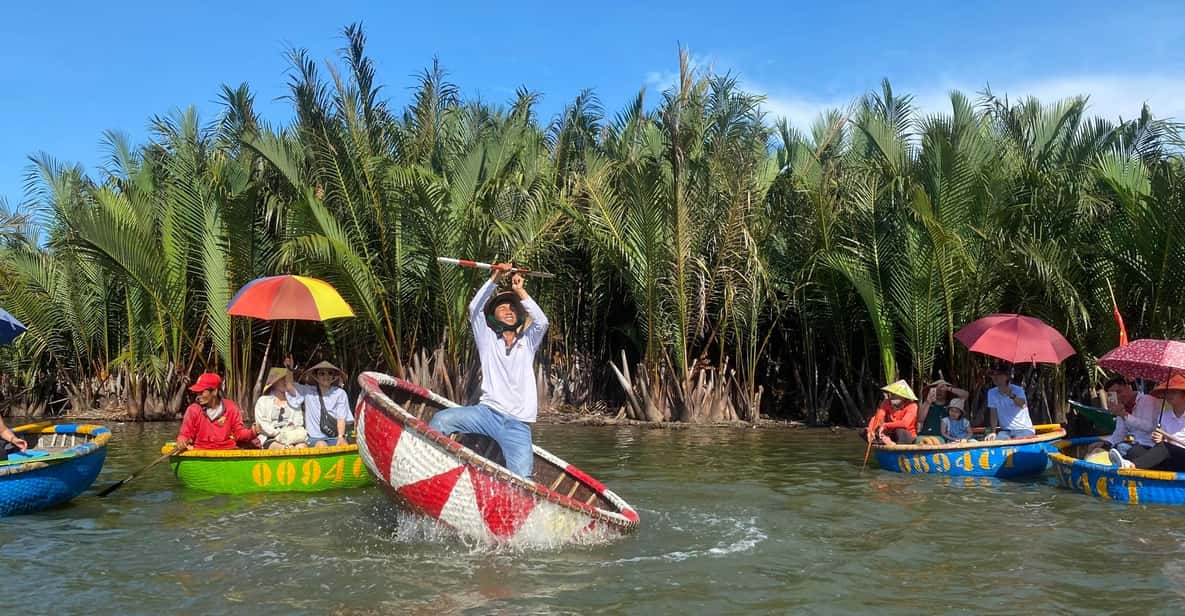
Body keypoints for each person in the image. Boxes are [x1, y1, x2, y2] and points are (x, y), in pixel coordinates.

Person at [429, 264, 549, 478]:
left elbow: (541, 321)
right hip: (486, 414)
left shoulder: (528, 342)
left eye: (512, 309)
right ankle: (436, 470)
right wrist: (496, 277)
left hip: (517, 424)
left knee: (522, 478)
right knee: (440, 420)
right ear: (493, 316)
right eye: (502, 308)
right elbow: (475, 309)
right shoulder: (488, 340)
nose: (508, 311)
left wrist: (520, 291)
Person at [1111, 375, 1185, 472]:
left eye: (1174, 392)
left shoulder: (1146, 401)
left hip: (1181, 456)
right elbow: (1160, 443)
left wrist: (1165, 441)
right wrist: (1160, 438)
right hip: (1169, 458)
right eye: (1167, 392)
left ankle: (1132, 466)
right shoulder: (1164, 416)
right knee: (1131, 450)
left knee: (1165, 447)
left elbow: (1166, 444)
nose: (1169, 395)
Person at [175, 372, 256, 451]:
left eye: (202, 392)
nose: (198, 396)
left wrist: (253, 432)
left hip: (227, 450)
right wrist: (182, 441)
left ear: (214, 391)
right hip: (200, 450)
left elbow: (239, 433)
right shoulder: (193, 410)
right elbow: (185, 434)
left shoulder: (231, 407)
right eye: (197, 392)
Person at [1085, 376, 1159, 458]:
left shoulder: (1147, 400)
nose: (1118, 397)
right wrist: (1105, 443)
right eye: (1113, 395)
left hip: (1151, 446)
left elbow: (1149, 427)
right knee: (1097, 450)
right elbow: (1119, 433)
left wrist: (1124, 415)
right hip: (1134, 445)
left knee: (1120, 448)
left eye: (1119, 392)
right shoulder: (1122, 407)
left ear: (1128, 387)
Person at [295, 361, 352, 448]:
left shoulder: (340, 393)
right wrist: (289, 369)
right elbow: (289, 386)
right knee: (321, 445)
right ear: (316, 376)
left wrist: (341, 437)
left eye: (330, 373)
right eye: (322, 373)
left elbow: (341, 417)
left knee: (344, 446)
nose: (326, 376)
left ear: (334, 376)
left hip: (334, 436)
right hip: (315, 438)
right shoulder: (308, 391)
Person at [254, 367, 309, 449]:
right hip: (270, 437)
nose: (285, 382)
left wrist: (288, 433)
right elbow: (262, 424)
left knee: (302, 447)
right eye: (282, 379)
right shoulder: (263, 401)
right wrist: (278, 433)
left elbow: (298, 423)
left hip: (291, 436)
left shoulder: (294, 402)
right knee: (287, 448)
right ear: (274, 382)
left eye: (286, 379)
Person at [985, 364, 1035, 440]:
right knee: (998, 441)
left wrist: (1011, 395)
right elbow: (993, 414)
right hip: (1005, 431)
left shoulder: (1018, 390)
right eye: (992, 374)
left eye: (998, 374)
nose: (995, 377)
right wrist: (993, 432)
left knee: (1018, 442)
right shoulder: (991, 393)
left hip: (1023, 429)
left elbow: (1023, 404)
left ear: (1006, 377)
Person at [916, 379, 970, 443]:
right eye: (937, 389)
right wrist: (928, 402)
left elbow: (966, 395)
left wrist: (948, 388)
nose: (939, 391)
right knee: (919, 440)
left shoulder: (951, 406)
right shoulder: (927, 404)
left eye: (942, 390)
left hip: (944, 439)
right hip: (925, 436)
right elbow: (920, 419)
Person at [866, 380, 919, 445]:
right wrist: (871, 430)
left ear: (903, 397)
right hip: (890, 434)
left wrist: (885, 425)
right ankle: (886, 441)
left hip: (907, 436)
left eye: (895, 395)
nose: (892, 397)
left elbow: (905, 424)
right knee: (865, 431)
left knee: (900, 431)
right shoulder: (886, 402)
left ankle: (893, 444)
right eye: (892, 394)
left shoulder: (912, 406)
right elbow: (878, 417)